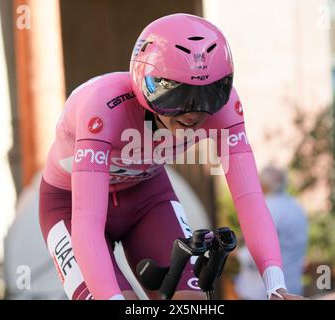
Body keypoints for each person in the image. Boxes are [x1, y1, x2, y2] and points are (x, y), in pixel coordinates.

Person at [39, 13, 304, 300]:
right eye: (178, 95)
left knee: (190, 302)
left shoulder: (225, 109)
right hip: (69, 204)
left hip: (148, 197)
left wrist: (276, 287)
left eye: (208, 96)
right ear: (147, 84)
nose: (192, 113)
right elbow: (87, 219)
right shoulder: (103, 107)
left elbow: (249, 197)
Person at [234, 166, 309, 299]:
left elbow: (255, 255)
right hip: (292, 285)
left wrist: (235, 254)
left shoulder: (264, 207)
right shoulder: (296, 206)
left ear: (263, 185)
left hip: (262, 291)